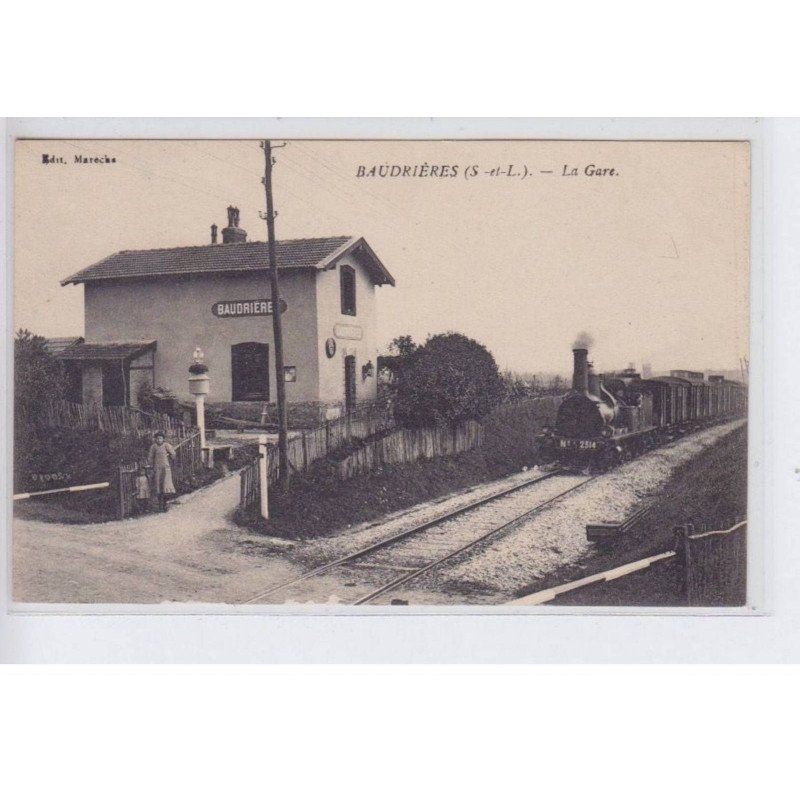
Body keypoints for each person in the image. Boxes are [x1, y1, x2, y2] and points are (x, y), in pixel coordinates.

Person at [147, 431, 176, 512]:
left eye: (160, 438)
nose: (159, 440)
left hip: (165, 469)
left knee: (165, 486)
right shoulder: (153, 447)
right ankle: (160, 506)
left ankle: (165, 505)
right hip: (157, 469)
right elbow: (150, 457)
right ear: (155, 439)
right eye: (157, 438)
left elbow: (173, 453)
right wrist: (151, 465)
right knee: (158, 487)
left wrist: (171, 457)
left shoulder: (166, 445)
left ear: (163, 439)